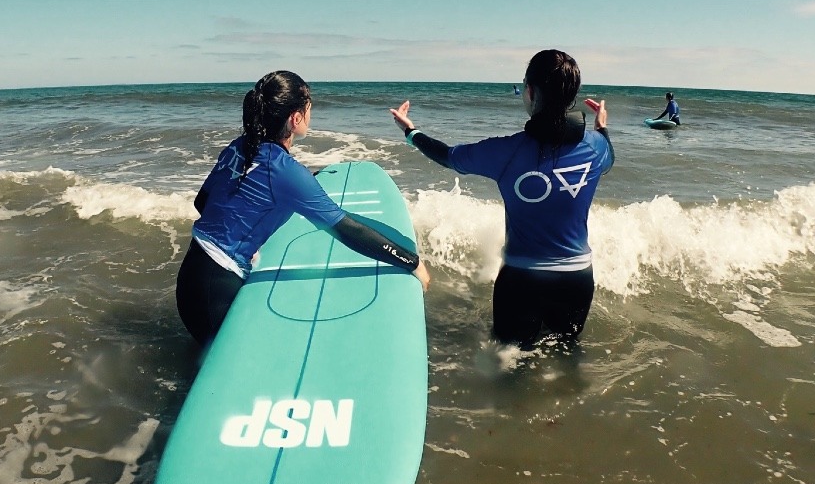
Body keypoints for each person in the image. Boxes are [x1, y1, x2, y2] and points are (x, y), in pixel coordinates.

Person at [176, 71, 430, 347]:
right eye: (308, 107)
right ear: (295, 119)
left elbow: (202, 201)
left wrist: (243, 235)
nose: (311, 113)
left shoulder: (241, 147)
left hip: (192, 274)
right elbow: (346, 230)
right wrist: (411, 262)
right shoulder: (285, 171)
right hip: (215, 292)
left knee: (204, 362)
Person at [390, 49, 614, 348]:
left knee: (509, 363)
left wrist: (410, 131)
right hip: (577, 279)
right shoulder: (597, 148)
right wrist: (602, 127)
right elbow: (609, 159)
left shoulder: (505, 152)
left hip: (522, 280)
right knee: (566, 355)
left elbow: (446, 156)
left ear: (531, 91)